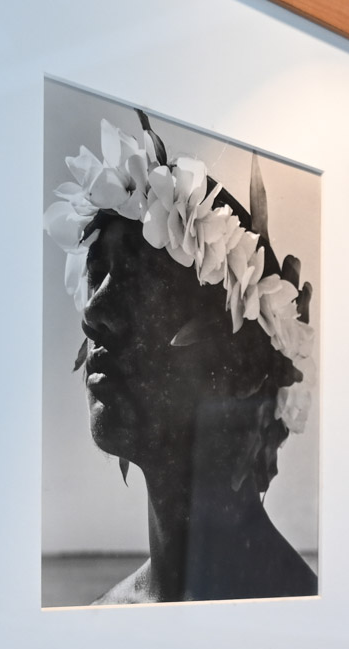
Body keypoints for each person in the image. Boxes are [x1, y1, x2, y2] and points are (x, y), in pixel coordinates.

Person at [45, 111, 316, 603]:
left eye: (142, 281)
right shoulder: (102, 620)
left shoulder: (305, 615)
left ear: (241, 363)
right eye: (96, 274)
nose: (93, 314)